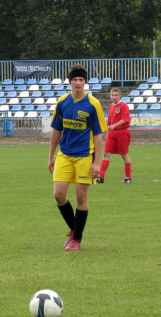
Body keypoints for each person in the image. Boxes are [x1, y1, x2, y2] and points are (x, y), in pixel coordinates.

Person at [47, 64, 107, 251]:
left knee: (81, 197)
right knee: (58, 194)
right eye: (75, 80)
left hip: (84, 156)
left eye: (81, 80)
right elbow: (56, 131)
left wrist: (97, 163)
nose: (78, 83)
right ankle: (74, 229)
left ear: (85, 82)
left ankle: (76, 240)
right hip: (64, 154)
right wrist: (50, 156)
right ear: (70, 82)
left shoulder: (93, 104)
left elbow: (99, 135)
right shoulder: (62, 102)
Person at [97, 88, 132, 184]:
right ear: (110, 95)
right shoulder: (111, 106)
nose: (114, 97)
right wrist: (108, 132)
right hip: (112, 133)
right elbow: (110, 122)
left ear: (120, 96)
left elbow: (125, 119)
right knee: (106, 154)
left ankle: (128, 177)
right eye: (112, 95)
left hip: (122, 132)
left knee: (124, 154)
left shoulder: (124, 106)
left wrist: (114, 125)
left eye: (116, 95)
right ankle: (101, 176)